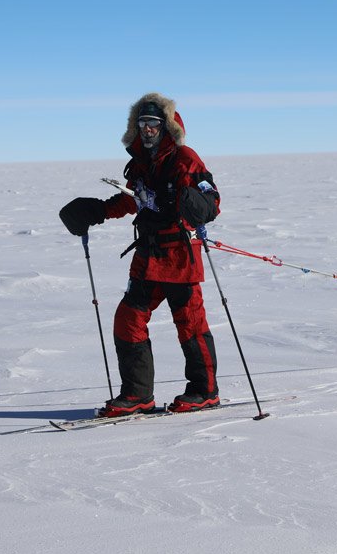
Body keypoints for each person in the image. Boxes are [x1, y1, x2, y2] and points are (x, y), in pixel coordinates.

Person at [59, 92, 221, 417]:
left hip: (179, 257)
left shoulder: (185, 159)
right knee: (128, 319)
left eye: (153, 123)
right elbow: (135, 199)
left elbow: (211, 199)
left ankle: (204, 391)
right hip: (148, 256)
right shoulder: (140, 164)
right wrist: (100, 211)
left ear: (167, 127)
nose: (147, 129)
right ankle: (137, 395)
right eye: (142, 123)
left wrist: (196, 203)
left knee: (190, 323)